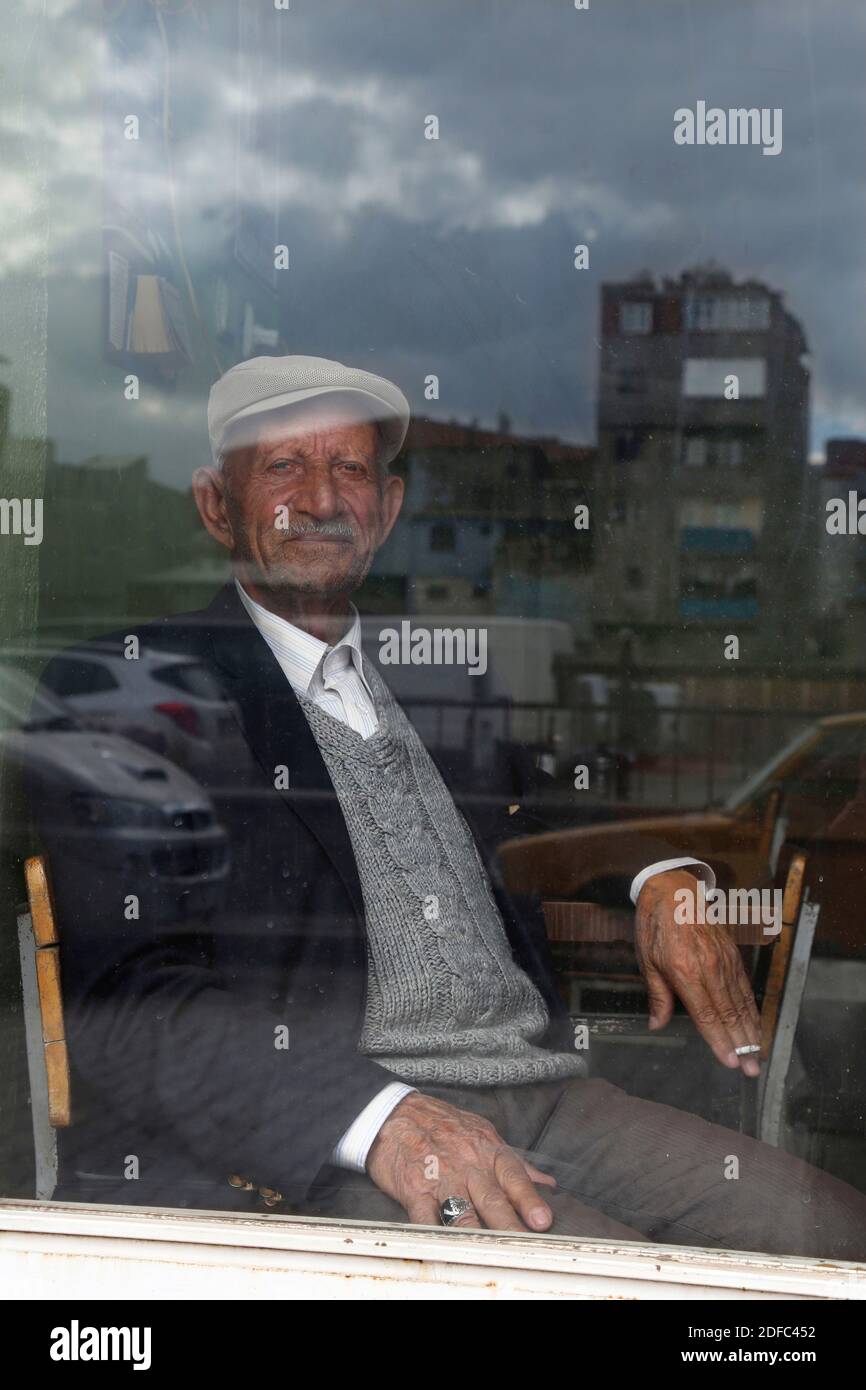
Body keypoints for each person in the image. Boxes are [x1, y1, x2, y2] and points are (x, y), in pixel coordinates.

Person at [34, 355, 866, 1259]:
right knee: (616, 1281)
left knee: (829, 1236)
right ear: (214, 504)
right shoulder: (134, 686)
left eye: (349, 470)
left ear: (387, 511)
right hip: (340, 1137)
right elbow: (130, 999)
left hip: (546, 1099)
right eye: (282, 468)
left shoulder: (437, 676)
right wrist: (378, 1118)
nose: (319, 500)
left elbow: (548, 816)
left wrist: (662, 878)